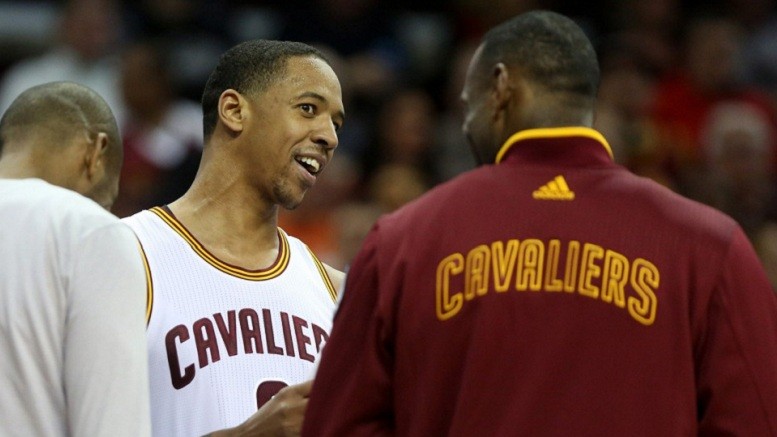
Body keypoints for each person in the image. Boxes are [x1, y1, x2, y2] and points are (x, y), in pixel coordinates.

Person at [303, 10, 777, 436]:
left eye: (469, 102)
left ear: (500, 87)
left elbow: (339, 425)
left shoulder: (402, 242)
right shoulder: (709, 245)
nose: (466, 124)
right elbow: (756, 418)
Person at [122, 39, 346, 437]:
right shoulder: (125, 254)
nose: (329, 137)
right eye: (308, 109)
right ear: (234, 110)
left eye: (336, 124)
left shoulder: (338, 292)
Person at [0, 82, 151, 436]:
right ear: (95, 152)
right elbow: (112, 427)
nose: (103, 209)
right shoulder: (89, 229)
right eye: (104, 198)